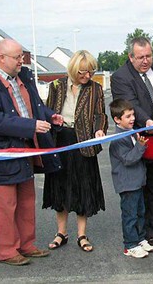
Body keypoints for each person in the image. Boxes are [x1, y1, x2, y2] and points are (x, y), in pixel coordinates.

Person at [0, 39, 64, 266]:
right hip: (2, 153)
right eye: (17, 57)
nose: (21, 61)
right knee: (5, 206)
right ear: (1, 58)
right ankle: (7, 251)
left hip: (26, 151)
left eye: (22, 56)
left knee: (26, 201)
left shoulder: (24, 77)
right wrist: (31, 126)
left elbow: (36, 105)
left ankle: (27, 245)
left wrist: (49, 115)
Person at [42, 50, 108, 252]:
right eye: (82, 72)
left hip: (84, 144)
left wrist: (99, 129)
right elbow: (47, 109)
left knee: (82, 189)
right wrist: (52, 118)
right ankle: (61, 233)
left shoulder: (96, 88)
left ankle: (82, 235)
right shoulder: (57, 86)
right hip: (60, 141)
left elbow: (100, 114)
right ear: (72, 69)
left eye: (90, 72)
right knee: (60, 188)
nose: (87, 76)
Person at [111, 37, 153, 249]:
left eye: (149, 56)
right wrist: (147, 122)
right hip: (138, 139)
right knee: (140, 188)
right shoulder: (121, 77)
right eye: (140, 57)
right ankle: (144, 235)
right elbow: (132, 104)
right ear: (130, 56)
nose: (146, 61)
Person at [109, 98, 153, 258]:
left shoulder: (130, 132)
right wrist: (140, 146)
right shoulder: (118, 138)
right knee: (130, 215)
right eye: (128, 116)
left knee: (140, 212)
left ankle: (140, 238)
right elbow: (128, 159)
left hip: (137, 182)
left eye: (133, 115)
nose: (133, 119)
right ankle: (129, 245)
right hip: (127, 184)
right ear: (117, 119)